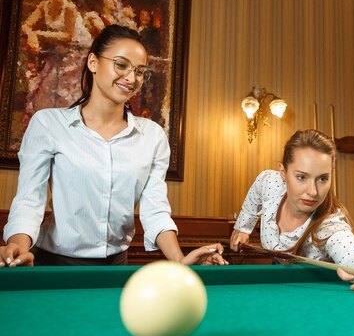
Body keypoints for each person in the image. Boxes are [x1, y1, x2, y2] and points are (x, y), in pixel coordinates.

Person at [0, 24, 226, 267]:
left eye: (139, 71)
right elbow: (29, 200)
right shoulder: (48, 124)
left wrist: (180, 259)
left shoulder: (152, 136)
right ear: (93, 63)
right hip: (55, 264)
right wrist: (18, 250)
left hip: (118, 267)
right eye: (121, 65)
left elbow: (155, 209)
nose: (131, 78)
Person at [230, 129, 354, 293]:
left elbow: (351, 252)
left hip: (314, 298)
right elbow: (256, 192)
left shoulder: (329, 226)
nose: (313, 192)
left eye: (322, 179)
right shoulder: (270, 183)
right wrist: (243, 227)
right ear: (283, 172)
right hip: (278, 291)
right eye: (301, 177)